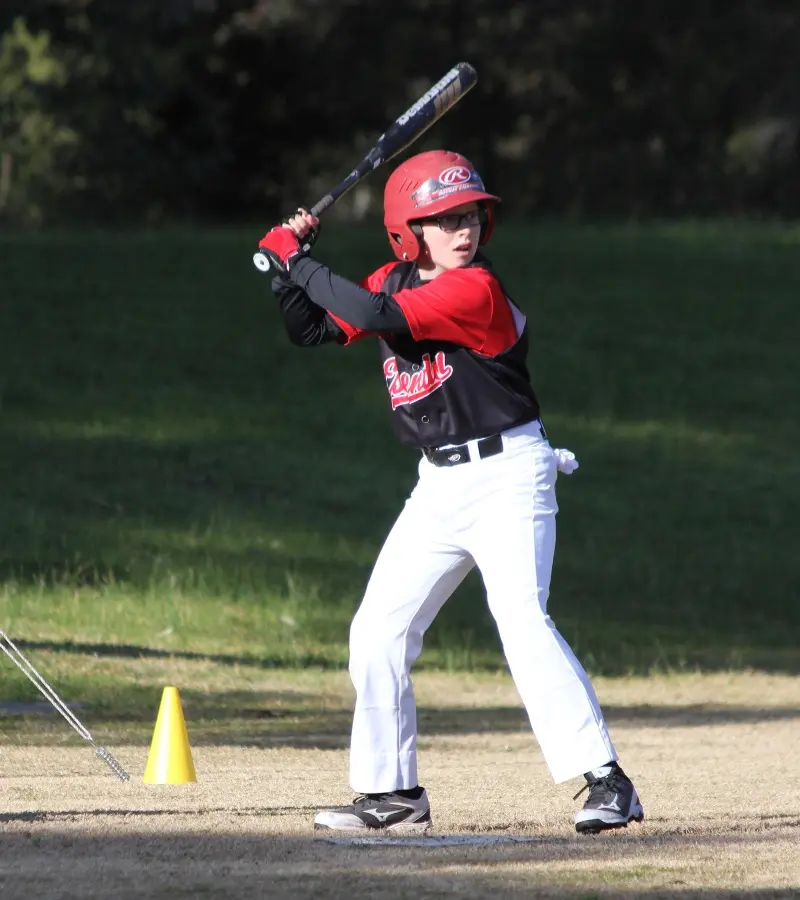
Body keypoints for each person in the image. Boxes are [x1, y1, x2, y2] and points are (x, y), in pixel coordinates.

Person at [255, 149, 644, 836]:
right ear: (409, 231)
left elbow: (374, 315)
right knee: (377, 631)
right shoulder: (394, 277)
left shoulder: (476, 290)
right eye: (444, 219)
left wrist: (296, 261)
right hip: (439, 482)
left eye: (470, 216)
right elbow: (312, 328)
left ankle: (609, 783)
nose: (464, 230)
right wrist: (288, 276)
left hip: (509, 474)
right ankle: (392, 796)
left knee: (522, 621)